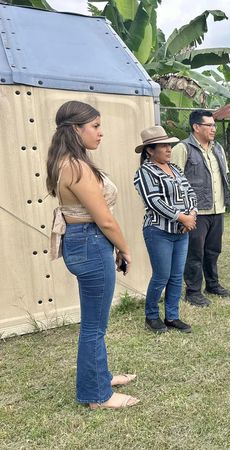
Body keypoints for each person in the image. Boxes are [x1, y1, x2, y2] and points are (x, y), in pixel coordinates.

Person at [47, 101, 139, 409]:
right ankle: (96, 395)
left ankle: (100, 377)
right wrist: (125, 249)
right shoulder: (76, 166)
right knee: (94, 326)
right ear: (76, 129)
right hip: (91, 242)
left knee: (94, 323)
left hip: (84, 242)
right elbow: (105, 220)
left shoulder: (65, 161)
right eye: (95, 126)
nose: (100, 133)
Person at [133, 126, 198, 333]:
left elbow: (190, 193)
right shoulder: (144, 172)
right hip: (158, 231)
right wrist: (182, 218)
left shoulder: (175, 169)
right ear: (150, 150)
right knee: (162, 275)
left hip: (181, 232)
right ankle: (151, 316)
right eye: (163, 146)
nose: (169, 149)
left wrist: (192, 214)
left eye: (169, 145)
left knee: (176, 276)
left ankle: (172, 316)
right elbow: (154, 202)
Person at [171, 110, 230, 307]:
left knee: (213, 250)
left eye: (214, 125)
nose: (214, 129)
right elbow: (174, 182)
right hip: (196, 212)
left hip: (217, 209)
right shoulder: (183, 148)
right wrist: (184, 212)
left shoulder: (218, 148)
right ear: (196, 127)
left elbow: (223, 176)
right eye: (209, 125)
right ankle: (193, 291)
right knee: (194, 253)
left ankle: (212, 285)